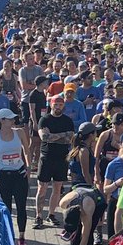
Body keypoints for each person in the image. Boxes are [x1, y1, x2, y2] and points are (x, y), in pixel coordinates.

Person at [0, 107, 31, 245]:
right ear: (2, 121)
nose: (13, 120)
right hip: (3, 176)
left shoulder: (19, 132)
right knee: (5, 208)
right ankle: (7, 236)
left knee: (21, 207)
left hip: (19, 174)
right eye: (10, 119)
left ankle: (22, 238)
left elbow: (26, 149)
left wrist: (29, 167)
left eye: (13, 118)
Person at [35, 92, 75, 228]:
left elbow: (69, 138)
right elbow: (45, 138)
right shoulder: (44, 120)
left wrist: (54, 135)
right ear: (51, 105)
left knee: (57, 188)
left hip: (62, 158)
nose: (58, 107)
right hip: (47, 157)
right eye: (55, 104)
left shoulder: (67, 121)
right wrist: (61, 136)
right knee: (42, 188)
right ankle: (39, 215)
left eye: (60, 104)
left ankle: (51, 214)